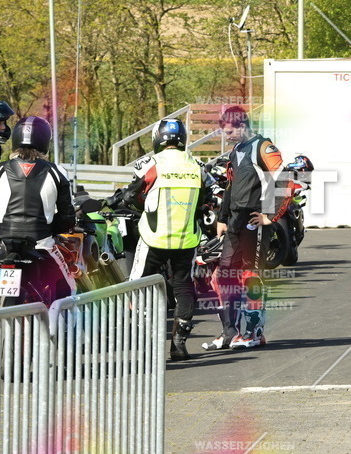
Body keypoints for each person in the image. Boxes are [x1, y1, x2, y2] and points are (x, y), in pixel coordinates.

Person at [110, 119, 209, 360]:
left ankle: (145, 343)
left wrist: (132, 203)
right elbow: (204, 201)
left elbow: (131, 195)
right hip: (186, 239)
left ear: (157, 137)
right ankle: (178, 344)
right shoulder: (197, 166)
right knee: (183, 287)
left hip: (154, 237)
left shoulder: (151, 163)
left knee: (137, 285)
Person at [203, 106, 284, 351]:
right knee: (222, 276)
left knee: (250, 276)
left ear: (242, 126)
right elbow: (230, 186)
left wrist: (272, 215)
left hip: (254, 220)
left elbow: (285, 178)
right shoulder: (235, 151)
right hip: (235, 222)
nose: (226, 136)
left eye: (229, 131)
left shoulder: (264, 147)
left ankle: (253, 333)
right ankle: (230, 332)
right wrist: (222, 218)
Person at [0, 117, 75, 297]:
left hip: (2, 246)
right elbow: (68, 219)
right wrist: (50, 230)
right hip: (42, 245)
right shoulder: (57, 172)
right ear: (45, 141)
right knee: (68, 291)